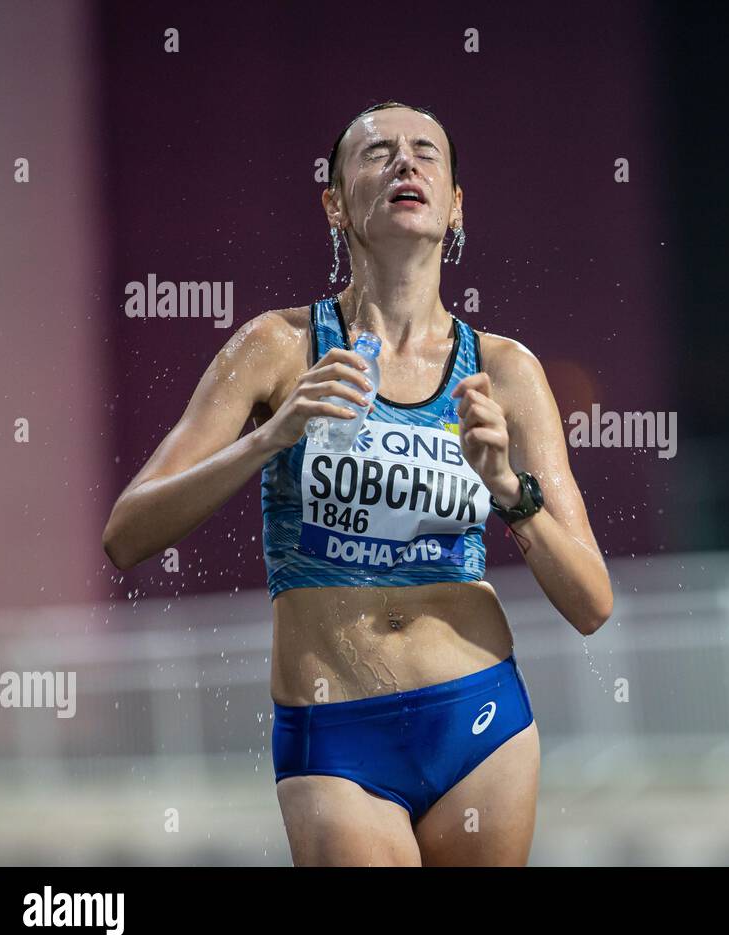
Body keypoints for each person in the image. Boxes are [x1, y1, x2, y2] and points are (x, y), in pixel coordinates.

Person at [102, 101, 613, 866]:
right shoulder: (277, 346)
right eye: (379, 154)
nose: (406, 164)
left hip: (479, 720)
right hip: (336, 733)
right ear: (335, 203)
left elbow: (591, 603)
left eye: (425, 153)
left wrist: (508, 488)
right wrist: (271, 439)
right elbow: (127, 534)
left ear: (455, 205)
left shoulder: (505, 370)